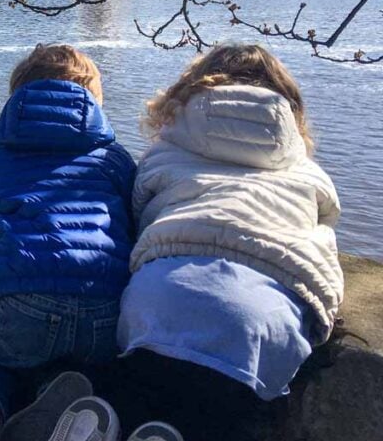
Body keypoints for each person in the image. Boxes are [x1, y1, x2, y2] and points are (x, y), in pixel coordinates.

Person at [117, 44, 344, 438]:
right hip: (260, 319)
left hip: (162, 297)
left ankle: (109, 418)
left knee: (144, 396)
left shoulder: (163, 154)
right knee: (227, 418)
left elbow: (139, 216)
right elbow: (325, 226)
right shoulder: (308, 172)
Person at [0, 45, 137, 441]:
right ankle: (58, 408)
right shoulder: (112, 157)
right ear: (92, 101)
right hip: (101, 300)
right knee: (81, 367)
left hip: (23, 299)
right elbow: (134, 217)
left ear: (17, 99)